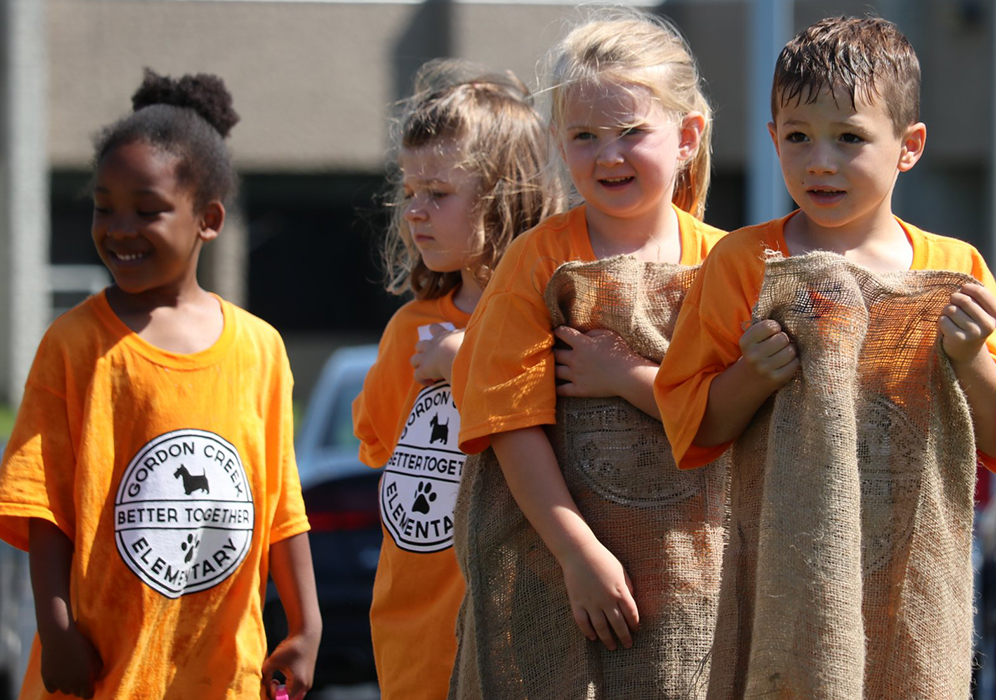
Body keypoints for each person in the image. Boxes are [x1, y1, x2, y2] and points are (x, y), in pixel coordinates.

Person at [654, 15, 996, 699]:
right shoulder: (744, 263)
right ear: (773, 141)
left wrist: (971, 357)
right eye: (798, 137)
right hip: (778, 581)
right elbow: (692, 431)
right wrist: (751, 376)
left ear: (908, 147)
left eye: (850, 138)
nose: (820, 161)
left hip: (911, 587)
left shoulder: (955, 268)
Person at [0, 70, 319, 699]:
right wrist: (56, 629)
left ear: (209, 219)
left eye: (147, 210)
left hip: (221, 671)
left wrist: (306, 625)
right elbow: (42, 505)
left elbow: (282, 504)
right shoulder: (73, 344)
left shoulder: (260, 348)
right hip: (102, 671)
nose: (119, 227)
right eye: (103, 206)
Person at [448, 10, 728, 698]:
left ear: (687, 136)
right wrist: (579, 555)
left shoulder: (730, 263)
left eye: (632, 132)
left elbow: (737, 411)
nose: (609, 155)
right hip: (557, 575)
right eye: (585, 136)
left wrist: (623, 377)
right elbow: (510, 424)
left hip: (699, 579)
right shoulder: (535, 262)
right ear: (558, 142)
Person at [350, 58, 562, 700]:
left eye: (437, 194)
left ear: (507, 193)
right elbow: (381, 449)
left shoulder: (554, 316)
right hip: (412, 639)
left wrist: (464, 359)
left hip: (514, 642)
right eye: (409, 193)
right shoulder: (406, 330)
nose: (415, 212)